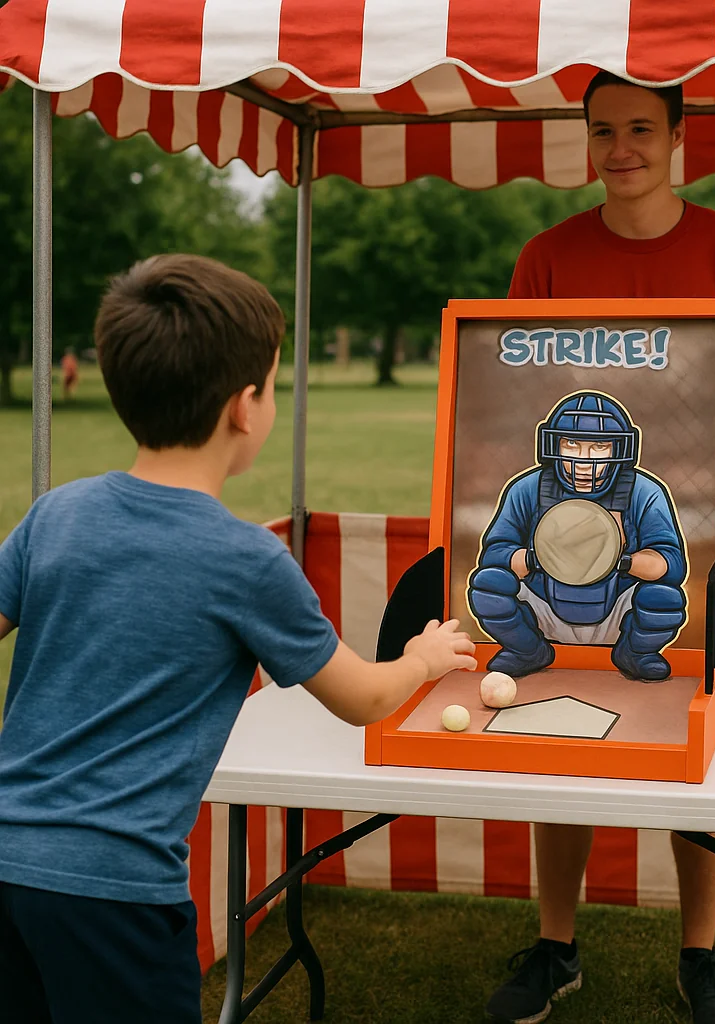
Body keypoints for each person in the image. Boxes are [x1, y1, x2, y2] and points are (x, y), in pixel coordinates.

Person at [0, 254, 476, 1024]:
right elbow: (361, 700)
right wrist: (419, 659)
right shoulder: (247, 558)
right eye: (274, 388)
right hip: (117, 894)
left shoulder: (55, 515)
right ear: (244, 408)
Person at [485, 71, 715, 1024]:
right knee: (556, 728)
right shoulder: (545, 256)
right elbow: (511, 408)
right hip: (566, 541)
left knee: (697, 752)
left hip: (690, 548)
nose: (619, 149)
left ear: (676, 140)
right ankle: (555, 944)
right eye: (602, 131)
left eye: (638, 130)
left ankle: (700, 954)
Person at [468, 391, 688, 680]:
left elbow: (671, 564)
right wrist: (545, 556)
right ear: (553, 444)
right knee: (488, 585)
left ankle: (635, 652)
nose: (584, 460)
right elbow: (494, 554)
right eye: (571, 444)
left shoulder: (643, 492)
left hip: (617, 610)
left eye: (599, 445)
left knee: (664, 598)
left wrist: (616, 559)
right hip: (542, 606)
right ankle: (527, 649)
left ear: (619, 448)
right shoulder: (528, 488)